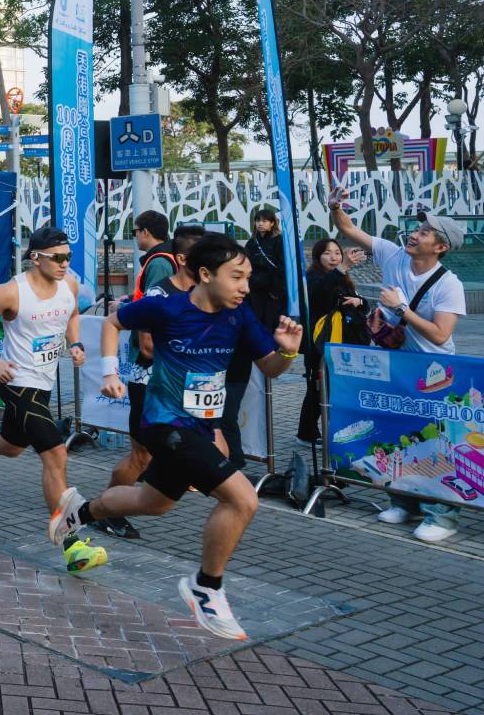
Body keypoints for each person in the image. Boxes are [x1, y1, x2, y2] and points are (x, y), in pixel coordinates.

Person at [60, 233, 305, 640]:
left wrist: (289, 351)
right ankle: (206, 588)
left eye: (248, 277)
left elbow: (272, 368)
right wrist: (108, 371)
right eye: (237, 276)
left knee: (152, 502)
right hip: (164, 423)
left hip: (200, 426)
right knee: (242, 498)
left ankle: (79, 512)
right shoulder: (166, 307)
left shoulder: (239, 316)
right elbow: (112, 321)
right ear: (205, 274)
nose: (246, 287)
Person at [0, 225, 104, 574]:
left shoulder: (69, 286)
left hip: (43, 384)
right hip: (16, 383)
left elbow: (72, 313)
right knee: (56, 452)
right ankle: (71, 543)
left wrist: (74, 344)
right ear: (36, 258)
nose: (64, 264)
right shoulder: (11, 292)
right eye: (58, 258)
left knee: (9, 446)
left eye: (68, 257)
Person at [330, 197, 468, 543]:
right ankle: (404, 501)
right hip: (392, 362)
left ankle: (442, 515)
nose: (414, 234)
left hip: (431, 371)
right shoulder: (392, 254)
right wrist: (335, 207)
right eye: (417, 228)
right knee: (394, 433)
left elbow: (440, 334)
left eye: (424, 232)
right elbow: (347, 228)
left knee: (433, 441)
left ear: (440, 246)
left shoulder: (448, 283)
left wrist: (400, 308)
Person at [93, 224, 204, 540]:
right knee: (140, 457)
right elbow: (147, 345)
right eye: (202, 258)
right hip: (150, 385)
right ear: (182, 259)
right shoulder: (161, 293)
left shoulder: (199, 294)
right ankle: (107, 511)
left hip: (181, 387)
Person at [298, 237, 367, 447]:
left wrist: (360, 301)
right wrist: (343, 267)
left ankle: (326, 430)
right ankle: (307, 433)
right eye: (328, 253)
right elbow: (320, 294)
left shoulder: (343, 278)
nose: (334, 257)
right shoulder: (312, 277)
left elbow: (360, 305)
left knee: (332, 387)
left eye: (337, 253)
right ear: (318, 256)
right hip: (320, 343)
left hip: (342, 343)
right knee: (317, 387)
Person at [245, 206, 287, 334]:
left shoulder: (279, 241)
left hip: (272, 290)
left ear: (272, 223)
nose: (260, 224)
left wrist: (276, 289)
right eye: (258, 221)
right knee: (255, 319)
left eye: (264, 221)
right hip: (254, 289)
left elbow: (282, 266)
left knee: (271, 321)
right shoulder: (251, 242)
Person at [132, 211, 176, 297]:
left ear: (145, 232)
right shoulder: (165, 256)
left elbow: (153, 304)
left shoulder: (159, 264)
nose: (135, 236)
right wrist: (128, 298)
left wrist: (120, 307)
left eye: (135, 231)